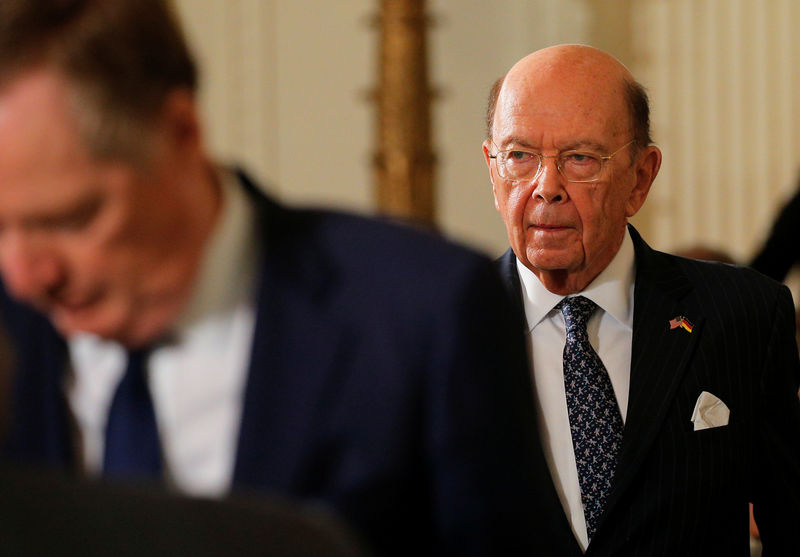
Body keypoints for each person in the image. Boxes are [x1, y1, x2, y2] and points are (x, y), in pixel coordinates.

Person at [0, 2, 547, 556]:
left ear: (180, 133)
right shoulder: (9, 317)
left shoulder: (427, 312)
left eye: (70, 219)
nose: (23, 277)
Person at [484, 44, 800, 555]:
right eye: (519, 156)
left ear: (641, 177)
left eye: (579, 158)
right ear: (492, 171)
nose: (546, 188)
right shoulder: (436, 331)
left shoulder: (743, 316)